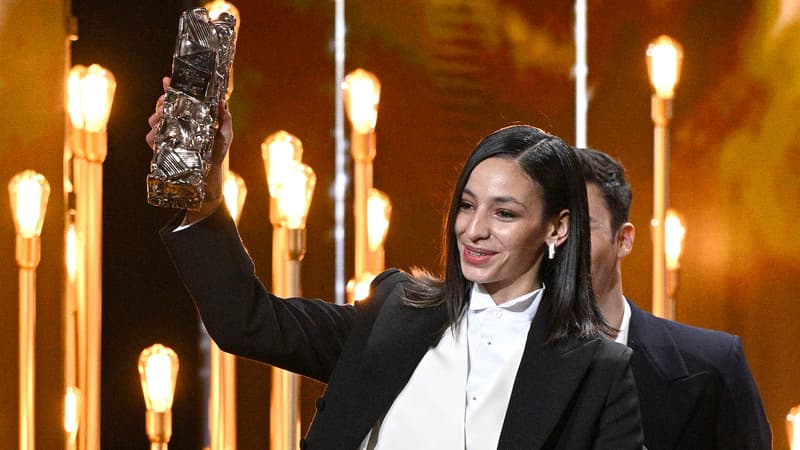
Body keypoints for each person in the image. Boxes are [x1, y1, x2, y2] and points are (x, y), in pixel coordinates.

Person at [146, 78, 644, 449]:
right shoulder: (395, 310)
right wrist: (206, 191)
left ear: (557, 228)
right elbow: (247, 322)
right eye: (468, 205)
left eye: (505, 213)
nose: (474, 230)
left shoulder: (598, 372)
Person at [575, 146, 772, 450]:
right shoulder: (502, 367)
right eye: (554, 227)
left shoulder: (711, 366)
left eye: (582, 226)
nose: (564, 243)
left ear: (624, 239)